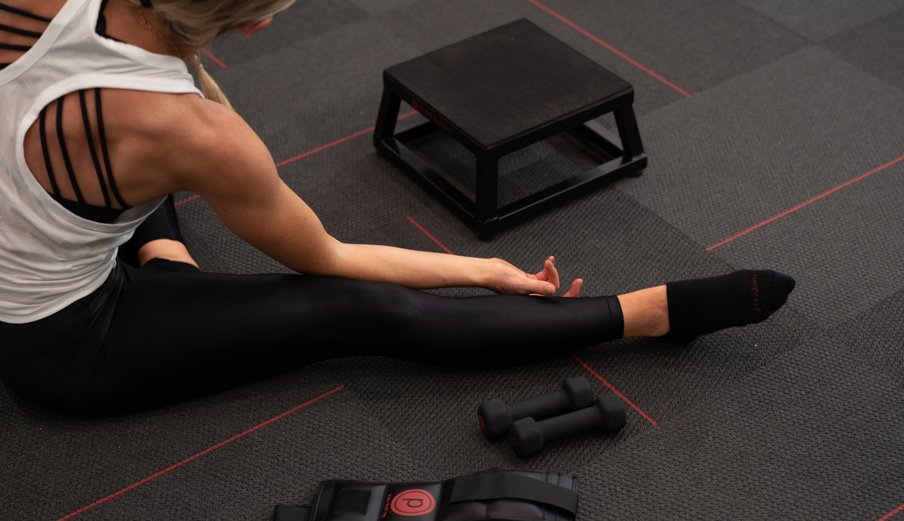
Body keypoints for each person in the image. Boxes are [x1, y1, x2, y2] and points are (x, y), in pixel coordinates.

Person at [0, 0, 795, 417]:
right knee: (356, 309)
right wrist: (483, 270)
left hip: (43, 207)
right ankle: (647, 314)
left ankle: (166, 267)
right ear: (255, 22)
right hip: (66, 345)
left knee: (139, 172)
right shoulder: (205, 136)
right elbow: (331, 258)